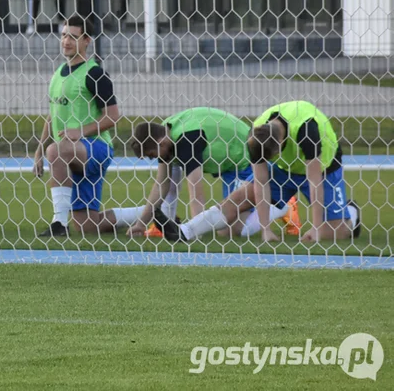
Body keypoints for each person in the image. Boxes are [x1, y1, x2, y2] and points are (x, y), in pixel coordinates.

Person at [156, 101, 362, 244]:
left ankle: (351, 211)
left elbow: (314, 181)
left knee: (337, 232)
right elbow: (262, 183)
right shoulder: (258, 133)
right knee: (232, 222)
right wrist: (266, 230)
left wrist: (316, 228)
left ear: (282, 144)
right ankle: (185, 231)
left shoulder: (308, 131)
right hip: (283, 170)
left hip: (323, 170)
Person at [33, 16, 140, 237]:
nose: (66, 41)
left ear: (86, 40)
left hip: (95, 148)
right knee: (87, 226)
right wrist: (38, 151)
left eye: (73, 36)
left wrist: (79, 132)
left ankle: (58, 223)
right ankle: (149, 213)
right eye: (64, 35)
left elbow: (113, 116)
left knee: (57, 150)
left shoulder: (95, 74)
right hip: (72, 153)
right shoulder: (58, 74)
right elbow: (52, 115)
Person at [127, 108, 288, 239]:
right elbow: (162, 184)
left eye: (151, 155)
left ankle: (281, 206)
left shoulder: (186, 141)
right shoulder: (164, 134)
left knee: (234, 230)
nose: (153, 158)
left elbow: (196, 191)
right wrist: (141, 223)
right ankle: (272, 203)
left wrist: (194, 232)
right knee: (225, 229)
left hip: (245, 159)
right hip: (227, 165)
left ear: (160, 142)